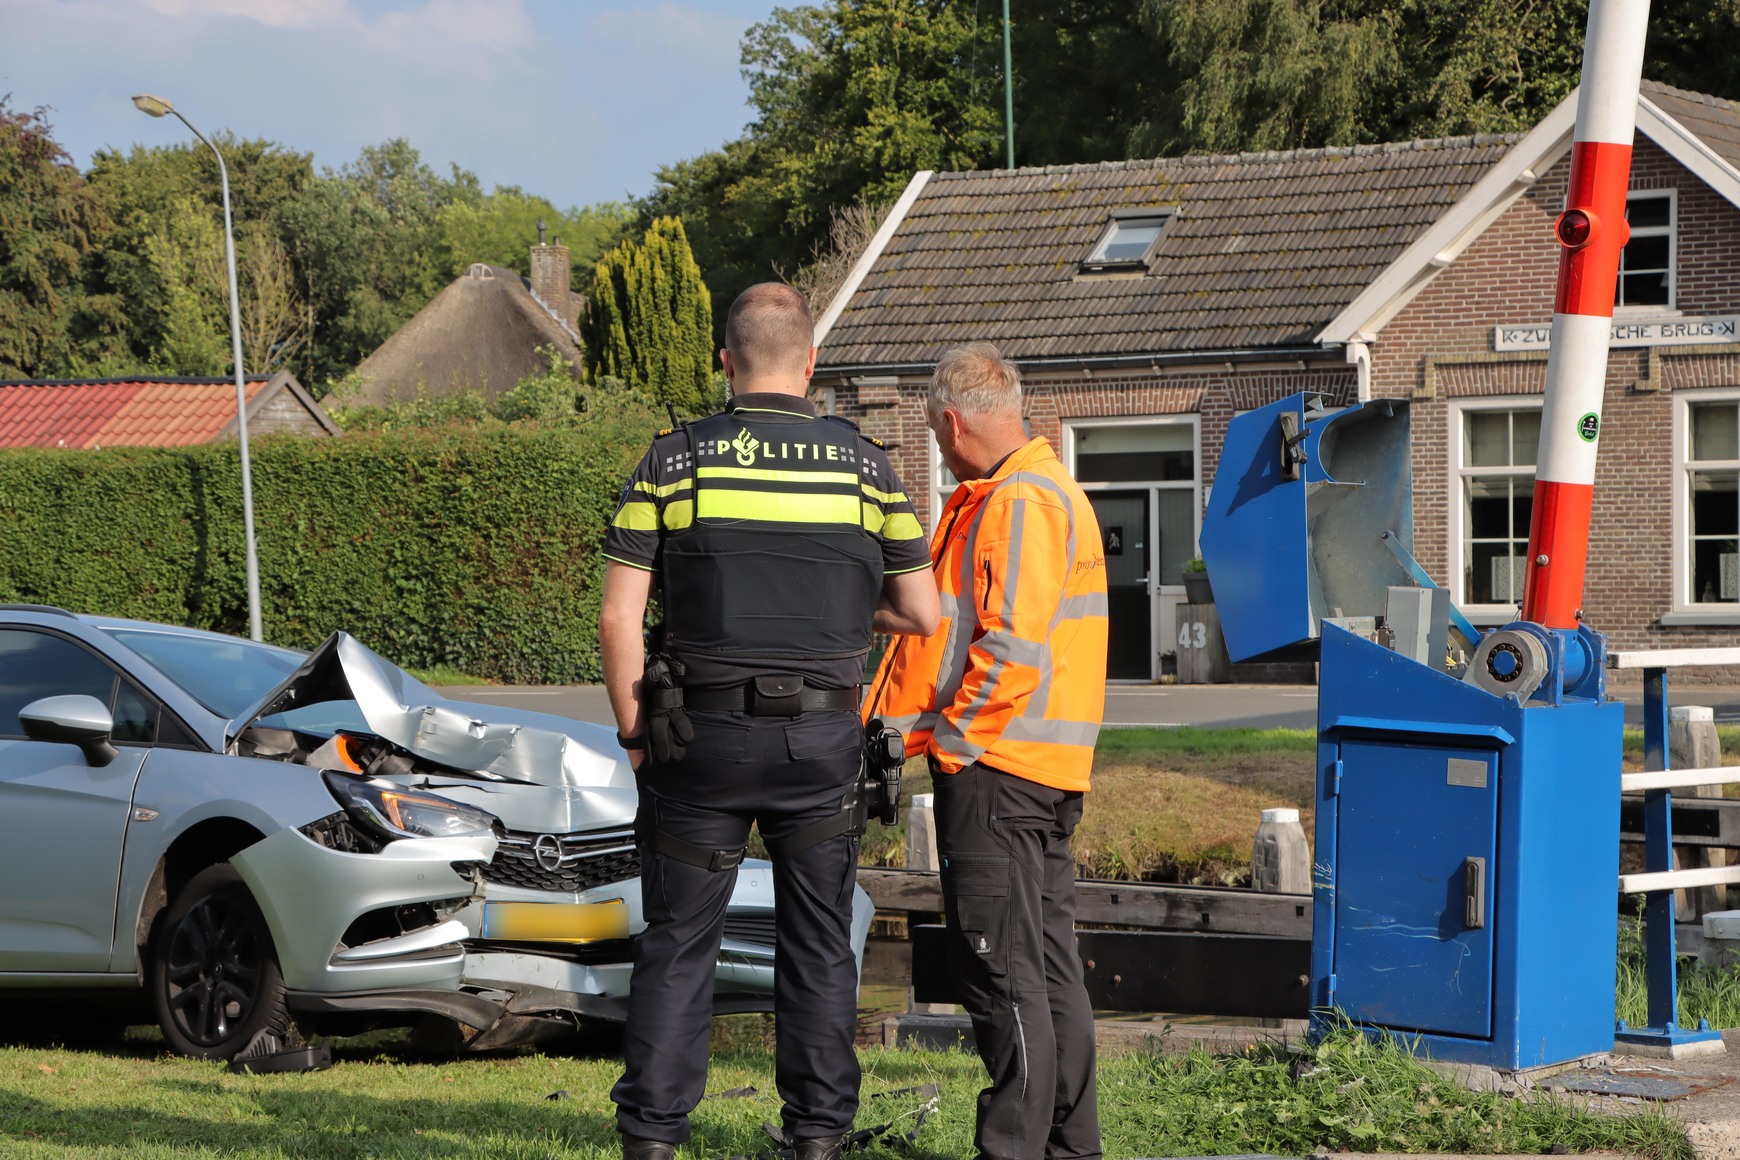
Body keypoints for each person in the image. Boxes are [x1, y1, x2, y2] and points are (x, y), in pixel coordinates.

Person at [598, 282, 940, 1160]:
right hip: (821, 747)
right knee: (821, 943)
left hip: (695, 743)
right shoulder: (868, 467)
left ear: (726, 362)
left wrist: (638, 739)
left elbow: (617, 618)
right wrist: (829, 618)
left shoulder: (674, 462)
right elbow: (921, 612)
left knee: (679, 944)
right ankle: (818, 1138)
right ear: (812, 362)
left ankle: (652, 1141)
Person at [863, 342, 1108, 1160]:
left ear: (953, 421)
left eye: (935, 432)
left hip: (1000, 769)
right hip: (1038, 771)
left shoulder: (1019, 502)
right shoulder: (1040, 491)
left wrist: (957, 745)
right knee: (1043, 967)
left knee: (998, 972)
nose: (937, 446)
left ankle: (1014, 1148)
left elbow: (1010, 648)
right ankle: (1070, 1147)